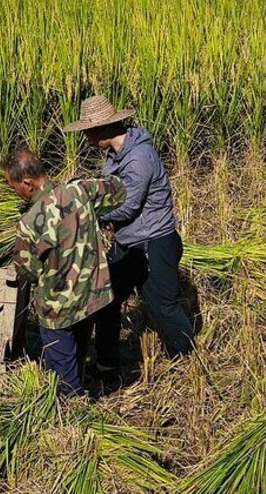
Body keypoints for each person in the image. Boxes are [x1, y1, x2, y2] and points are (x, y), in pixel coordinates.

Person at [63, 95, 195, 374]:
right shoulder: (116, 156)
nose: (85, 138)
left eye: (87, 131)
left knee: (164, 307)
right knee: (106, 302)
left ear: (102, 129)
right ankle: (107, 364)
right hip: (128, 243)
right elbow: (110, 190)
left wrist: (88, 213)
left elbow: (127, 208)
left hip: (153, 243)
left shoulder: (139, 158)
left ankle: (187, 362)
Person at [5, 148, 126, 395]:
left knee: (63, 375)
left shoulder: (29, 223)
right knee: (79, 351)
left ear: (27, 183)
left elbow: (27, 271)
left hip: (58, 308)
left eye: (14, 186)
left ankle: (74, 414)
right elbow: (119, 190)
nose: (14, 192)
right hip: (92, 296)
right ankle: (80, 386)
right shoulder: (79, 190)